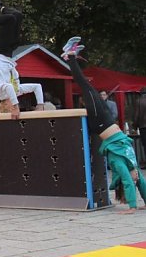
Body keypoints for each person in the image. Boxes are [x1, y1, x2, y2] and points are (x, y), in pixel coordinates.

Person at [62, 37, 146, 214]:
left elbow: (127, 180)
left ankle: (69, 57)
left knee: (87, 88)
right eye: (136, 177)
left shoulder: (117, 161)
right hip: (109, 124)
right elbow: (141, 182)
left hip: (100, 123)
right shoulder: (133, 165)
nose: (136, 177)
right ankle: (71, 57)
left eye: (134, 178)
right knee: (92, 90)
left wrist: (132, 207)